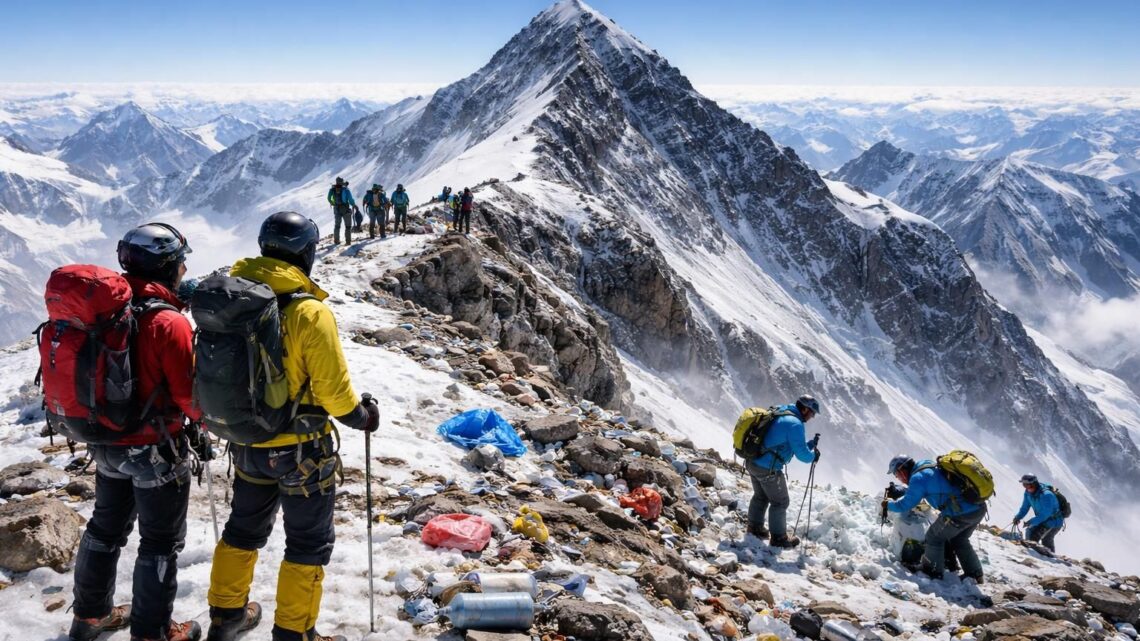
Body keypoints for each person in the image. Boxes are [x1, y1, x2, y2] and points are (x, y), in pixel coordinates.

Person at [205, 212, 380, 641]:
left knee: (242, 531)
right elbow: (335, 393)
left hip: (246, 441)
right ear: (307, 253)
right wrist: (363, 417)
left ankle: (226, 617)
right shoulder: (308, 312)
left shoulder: (236, 303)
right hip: (302, 452)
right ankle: (294, 633)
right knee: (307, 544)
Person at [69, 223, 203, 641]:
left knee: (104, 528)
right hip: (155, 450)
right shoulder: (168, 322)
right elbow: (189, 398)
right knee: (160, 543)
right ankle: (152, 632)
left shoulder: (106, 313)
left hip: (103, 441)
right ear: (168, 267)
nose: (184, 268)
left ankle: (90, 617)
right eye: (180, 261)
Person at [885, 455, 986, 582]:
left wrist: (885, 505)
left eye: (896, 474)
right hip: (978, 508)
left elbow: (904, 504)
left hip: (959, 513)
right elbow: (926, 488)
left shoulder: (918, 478)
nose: (898, 478)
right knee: (959, 539)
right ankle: (975, 574)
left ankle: (932, 571)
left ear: (902, 470)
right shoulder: (928, 465)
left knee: (933, 537)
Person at [746, 395, 821, 548]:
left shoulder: (782, 410)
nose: (812, 417)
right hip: (768, 468)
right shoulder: (795, 424)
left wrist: (809, 444)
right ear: (805, 409)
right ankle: (779, 538)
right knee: (780, 502)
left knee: (760, 496)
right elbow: (803, 456)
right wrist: (814, 455)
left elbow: (782, 442)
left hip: (753, 460)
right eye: (812, 413)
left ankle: (754, 528)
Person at [1013, 474, 1064, 553]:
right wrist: (1018, 517)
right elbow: (1025, 507)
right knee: (1030, 532)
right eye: (1024, 485)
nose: (1026, 488)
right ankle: (1032, 552)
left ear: (1034, 484)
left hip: (1054, 521)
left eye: (1028, 485)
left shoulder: (1046, 495)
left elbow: (1045, 514)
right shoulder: (1028, 493)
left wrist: (1031, 522)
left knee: (1045, 539)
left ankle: (1049, 557)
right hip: (1043, 519)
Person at [326, 177, 358, 244]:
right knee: (348, 226)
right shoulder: (346, 189)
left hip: (336, 209)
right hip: (345, 209)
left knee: (337, 226)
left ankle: (336, 240)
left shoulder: (332, 189)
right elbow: (350, 199)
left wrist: (333, 203)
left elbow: (328, 198)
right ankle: (348, 241)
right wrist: (354, 205)